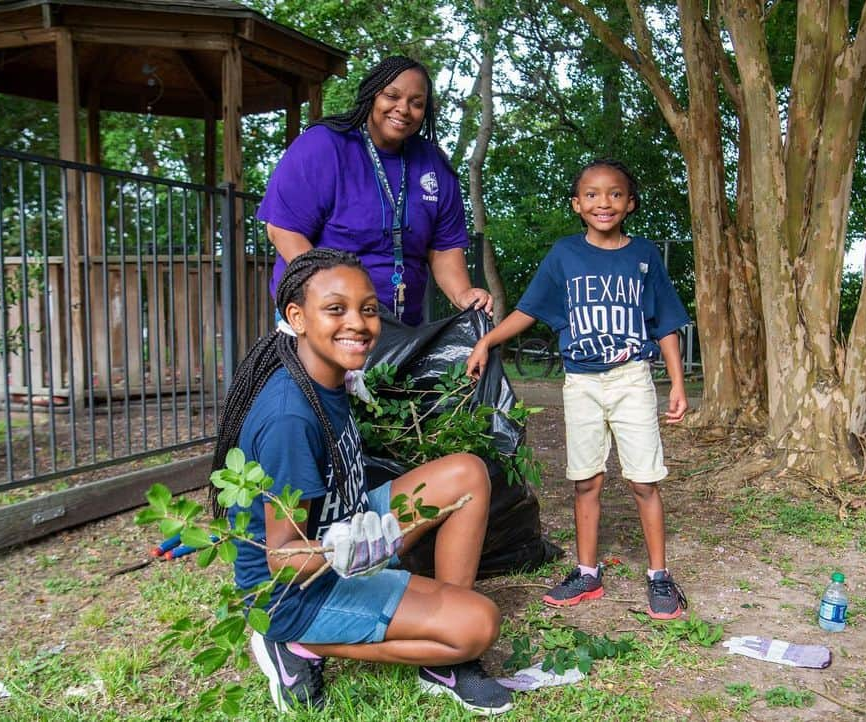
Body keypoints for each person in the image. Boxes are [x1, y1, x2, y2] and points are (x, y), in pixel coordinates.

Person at [211, 248, 512, 715]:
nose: (358, 322)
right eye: (336, 309)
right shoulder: (290, 417)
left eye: (368, 309)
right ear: (298, 316)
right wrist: (340, 550)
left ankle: (439, 646)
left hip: (345, 522)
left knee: (467, 472)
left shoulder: (328, 376)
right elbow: (281, 560)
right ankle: (292, 644)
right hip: (297, 590)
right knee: (477, 627)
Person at [466, 159, 690, 620]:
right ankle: (587, 573)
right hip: (581, 382)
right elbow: (528, 309)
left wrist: (678, 384)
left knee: (643, 480)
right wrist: (487, 340)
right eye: (591, 194)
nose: (602, 202)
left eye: (613, 194)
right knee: (586, 479)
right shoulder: (564, 255)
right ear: (577, 204)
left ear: (629, 203)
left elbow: (666, 324)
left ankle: (659, 577)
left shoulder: (644, 256)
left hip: (632, 380)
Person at [257, 56, 493, 326]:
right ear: (371, 95)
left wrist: (463, 294)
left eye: (417, 103)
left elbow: (444, 248)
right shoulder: (323, 146)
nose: (403, 109)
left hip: (400, 327)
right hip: (320, 319)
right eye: (392, 96)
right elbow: (284, 230)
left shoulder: (434, 164)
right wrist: (331, 293)